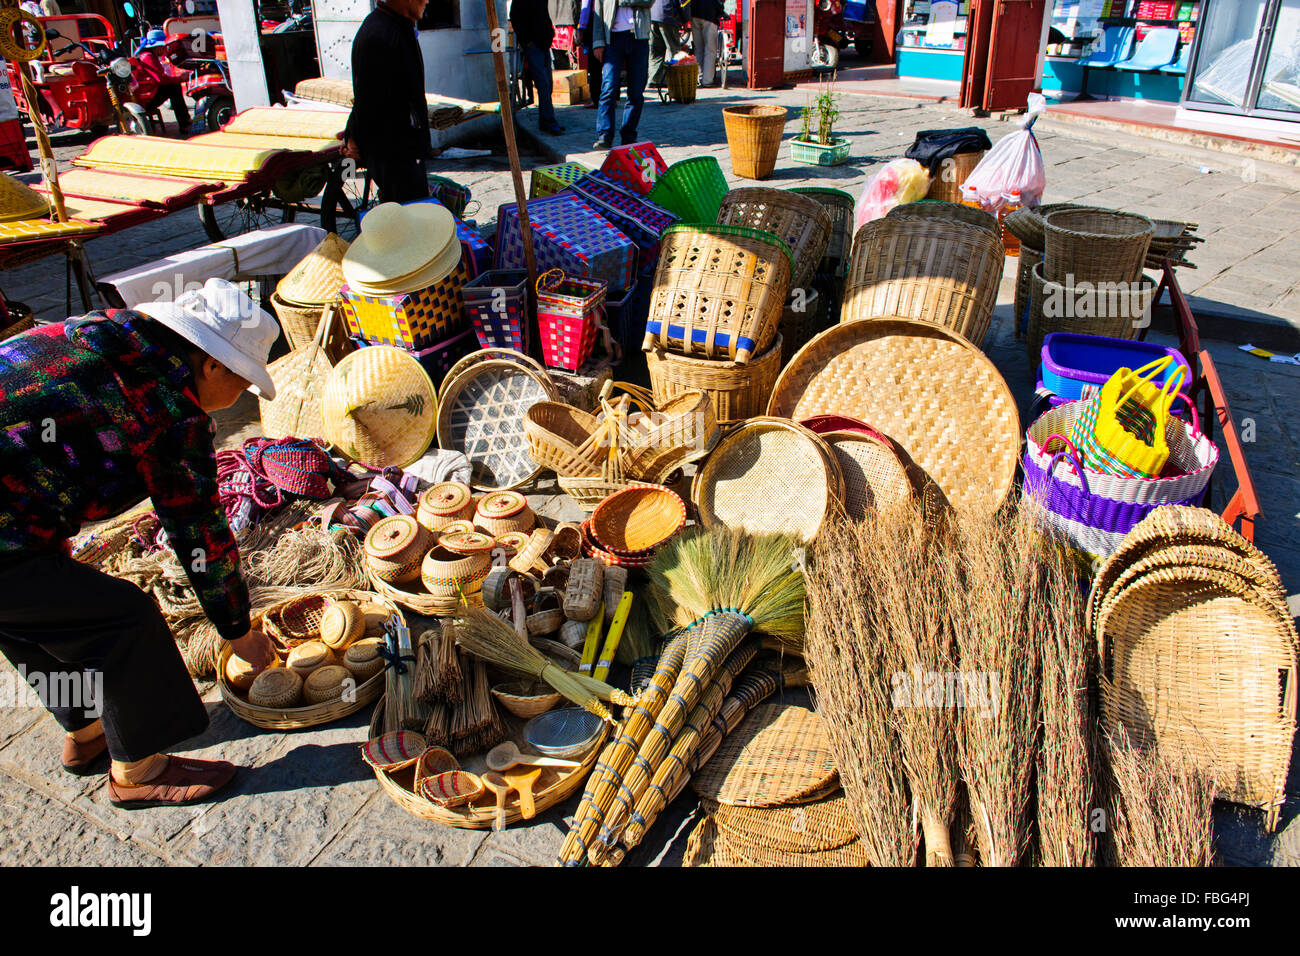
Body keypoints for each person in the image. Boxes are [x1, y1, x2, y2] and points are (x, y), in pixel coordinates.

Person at [0, 279, 281, 809]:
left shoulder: (109, 335)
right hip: (7, 530)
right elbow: (197, 530)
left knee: (24, 617)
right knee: (123, 619)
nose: (241, 397)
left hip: (14, 521)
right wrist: (239, 631)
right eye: (243, 383)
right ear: (212, 364)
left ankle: (87, 733)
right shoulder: (165, 406)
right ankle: (139, 770)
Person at [342, 0, 432, 203]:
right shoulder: (380, 35)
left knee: (410, 210)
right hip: (393, 150)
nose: (426, 0)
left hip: (403, 146)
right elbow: (367, 96)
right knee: (407, 214)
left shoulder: (397, 27)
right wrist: (352, 135)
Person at [590, 0, 651, 149]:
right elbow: (598, 10)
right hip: (613, 38)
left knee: (636, 91)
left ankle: (629, 135)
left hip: (639, 37)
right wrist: (598, 42)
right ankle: (605, 134)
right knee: (608, 87)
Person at [511, 0, 565, 135]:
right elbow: (515, 18)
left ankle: (546, 121)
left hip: (543, 44)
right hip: (535, 46)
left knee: (548, 84)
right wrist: (527, 42)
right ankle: (549, 121)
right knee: (543, 84)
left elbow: (543, 15)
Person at [135, 28, 192, 135]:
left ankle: (185, 122)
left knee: (174, 87)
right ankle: (184, 124)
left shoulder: (151, 56)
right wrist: (180, 78)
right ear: (156, 47)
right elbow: (161, 79)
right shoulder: (148, 57)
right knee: (174, 88)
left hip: (152, 92)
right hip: (148, 98)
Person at [648, 0, 687, 89]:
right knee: (674, 50)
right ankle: (674, 80)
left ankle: (654, 80)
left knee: (655, 50)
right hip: (668, 15)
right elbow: (683, 2)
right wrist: (685, 19)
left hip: (652, 15)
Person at [691, 0, 721, 87]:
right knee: (710, 49)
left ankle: (698, 77)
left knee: (698, 48)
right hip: (709, 14)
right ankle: (707, 80)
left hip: (694, 13)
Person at [578, 0, 599, 108]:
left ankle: (596, 99)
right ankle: (613, 97)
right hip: (612, 22)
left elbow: (586, 6)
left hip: (594, 22)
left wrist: (581, 27)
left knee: (594, 63)